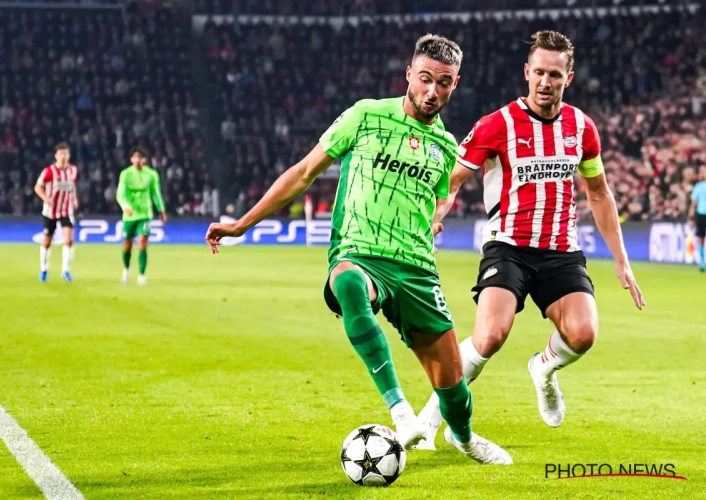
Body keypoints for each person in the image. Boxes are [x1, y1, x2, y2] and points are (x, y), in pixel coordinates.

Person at [206, 34, 512, 464]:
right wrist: (242, 223)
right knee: (348, 282)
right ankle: (401, 413)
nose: (431, 91)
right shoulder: (366, 115)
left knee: (452, 386)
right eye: (424, 79)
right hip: (361, 252)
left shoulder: (445, 147)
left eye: (443, 83)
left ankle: (462, 438)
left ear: (454, 84)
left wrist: (435, 218)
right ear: (409, 74)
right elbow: (303, 172)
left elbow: (438, 197)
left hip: (417, 269)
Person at [414, 30, 645, 450]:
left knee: (583, 334)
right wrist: (433, 217)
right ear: (526, 72)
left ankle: (543, 369)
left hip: (561, 251)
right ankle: (431, 419)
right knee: (489, 336)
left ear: (568, 77)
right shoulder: (496, 124)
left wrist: (621, 259)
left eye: (554, 75)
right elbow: (453, 181)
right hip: (508, 246)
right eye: (538, 72)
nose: (545, 81)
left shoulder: (581, 128)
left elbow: (599, 194)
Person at [116, 146, 167, 285]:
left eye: (140, 157)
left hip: (145, 214)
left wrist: (161, 210)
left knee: (142, 243)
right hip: (129, 216)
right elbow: (120, 194)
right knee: (127, 245)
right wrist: (125, 207)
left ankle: (141, 275)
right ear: (131, 159)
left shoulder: (151, 175)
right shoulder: (125, 174)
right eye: (135, 157)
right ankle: (126, 270)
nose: (137, 160)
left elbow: (155, 194)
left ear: (144, 160)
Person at [34, 143, 78, 283]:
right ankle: (44, 269)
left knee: (69, 240)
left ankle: (65, 271)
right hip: (50, 211)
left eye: (66, 153)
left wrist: (74, 198)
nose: (64, 156)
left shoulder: (73, 170)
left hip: (66, 210)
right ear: (55, 156)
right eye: (61, 154)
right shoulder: (48, 171)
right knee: (47, 241)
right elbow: (37, 187)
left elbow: (72, 185)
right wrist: (46, 199)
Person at [688, 166, 706, 272]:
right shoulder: (698, 186)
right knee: (701, 238)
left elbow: (693, 204)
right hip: (701, 214)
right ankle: (702, 262)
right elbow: (693, 204)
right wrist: (691, 218)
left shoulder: (698, 186)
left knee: (701, 238)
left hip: (701, 214)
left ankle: (702, 262)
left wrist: (690, 218)